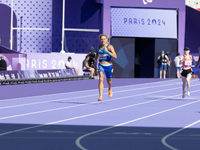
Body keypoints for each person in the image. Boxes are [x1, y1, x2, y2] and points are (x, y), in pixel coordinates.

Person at [95, 34, 117, 101]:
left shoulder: (110, 47)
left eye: (104, 39)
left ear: (106, 39)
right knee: (101, 79)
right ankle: (100, 96)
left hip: (108, 66)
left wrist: (107, 52)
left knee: (109, 81)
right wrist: (95, 60)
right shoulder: (99, 47)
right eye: (101, 39)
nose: (103, 40)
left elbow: (115, 56)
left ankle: (109, 88)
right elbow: (97, 54)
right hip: (101, 65)